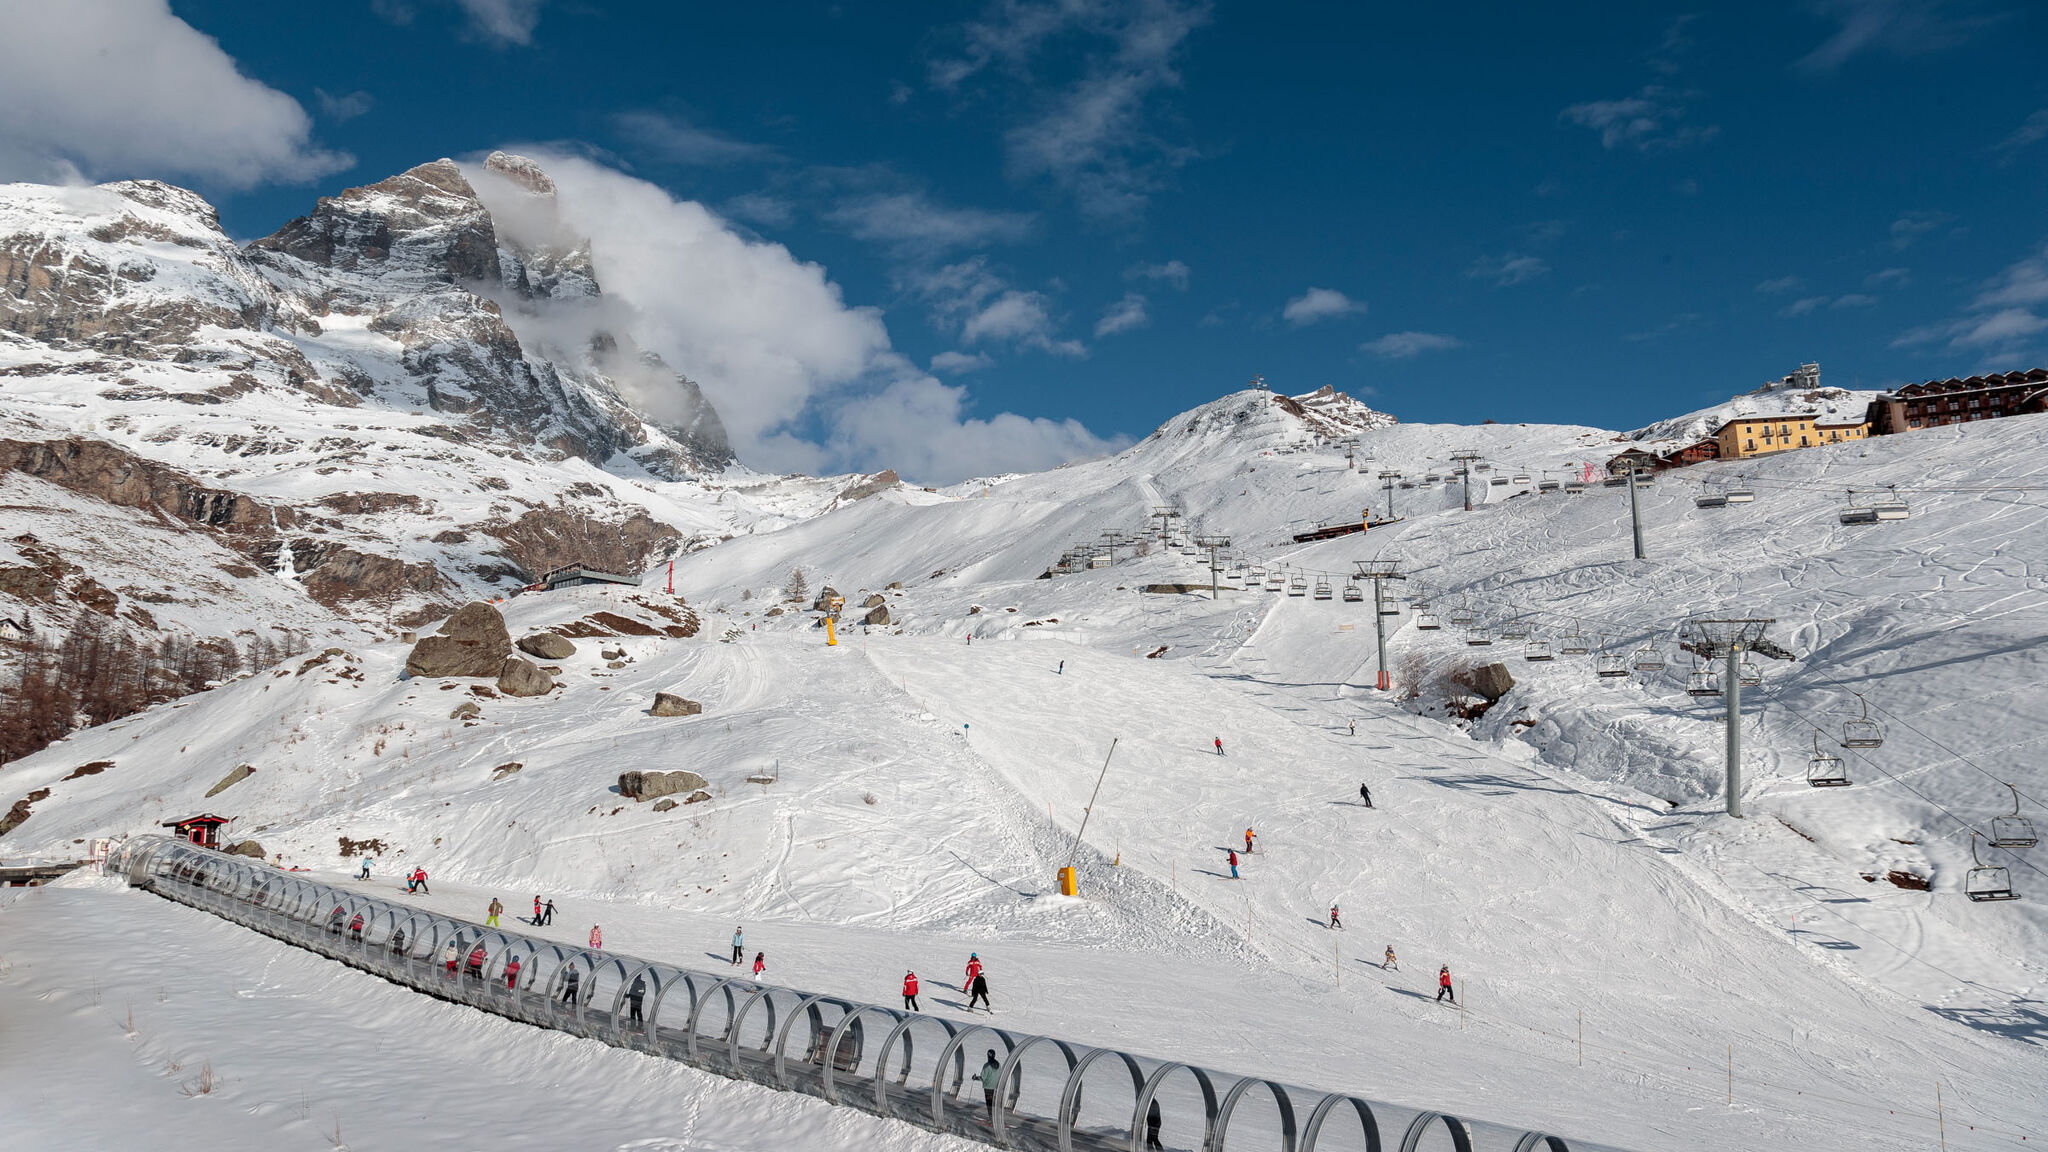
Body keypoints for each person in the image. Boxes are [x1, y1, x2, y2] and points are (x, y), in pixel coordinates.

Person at [979, 1049, 1002, 1117]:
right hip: (996, 1087)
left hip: (988, 1088)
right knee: (994, 1103)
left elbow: (983, 1078)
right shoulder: (998, 1064)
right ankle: (996, 1117)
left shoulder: (987, 1066)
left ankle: (991, 1118)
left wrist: (975, 1078)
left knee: (989, 1104)